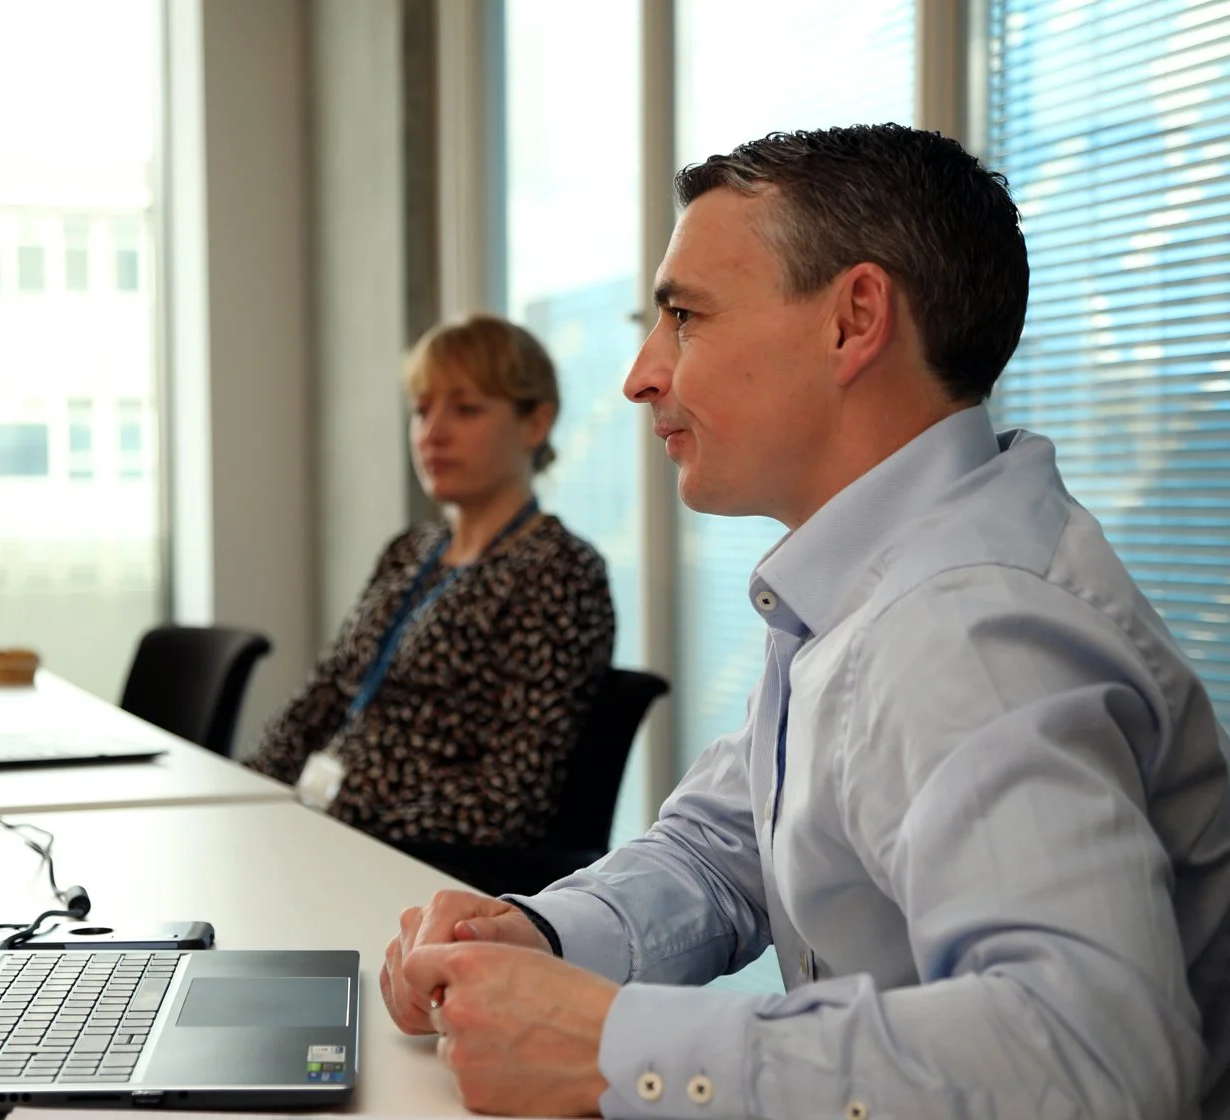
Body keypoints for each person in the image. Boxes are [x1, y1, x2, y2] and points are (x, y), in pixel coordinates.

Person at [379, 125, 1230, 1119]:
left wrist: (609, 1045)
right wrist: (541, 935)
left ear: (853, 320)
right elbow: (722, 848)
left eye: (685, 316)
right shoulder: (870, 578)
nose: (642, 374)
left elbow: (1097, 1056)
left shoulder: (969, 627)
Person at [245, 314, 615, 850]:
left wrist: (337, 816)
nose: (432, 433)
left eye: (464, 409)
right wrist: (247, 793)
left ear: (536, 423)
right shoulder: (410, 551)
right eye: (421, 410)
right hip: (323, 831)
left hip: (419, 860)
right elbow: (320, 699)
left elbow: (511, 798)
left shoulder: (558, 571)